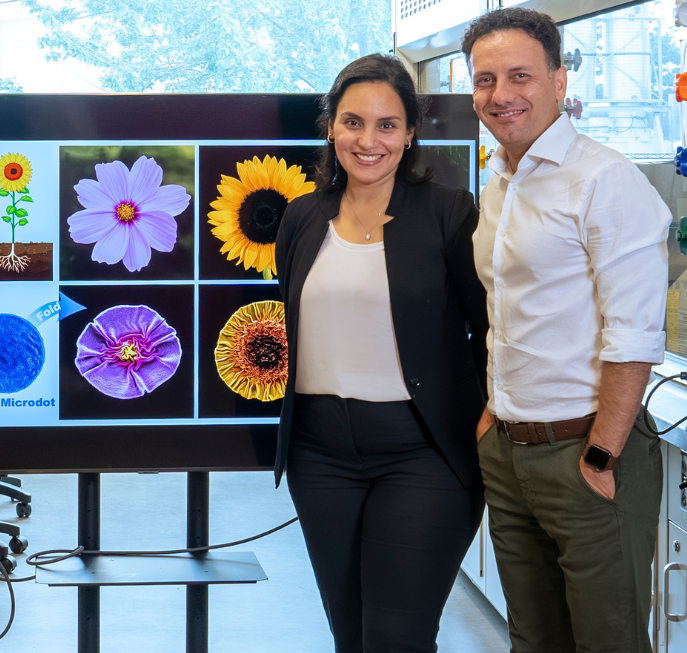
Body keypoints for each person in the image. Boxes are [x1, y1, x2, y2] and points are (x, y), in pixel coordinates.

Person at [462, 8, 670, 653]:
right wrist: (495, 415)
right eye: (485, 80)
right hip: (510, 451)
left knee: (608, 641)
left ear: (558, 79)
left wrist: (603, 455)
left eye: (519, 75)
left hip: (585, 453)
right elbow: (511, 309)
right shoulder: (498, 181)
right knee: (535, 639)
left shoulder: (605, 180)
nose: (501, 95)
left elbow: (632, 334)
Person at [273, 53, 488, 652]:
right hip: (320, 454)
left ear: (411, 133)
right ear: (331, 128)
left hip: (423, 453)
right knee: (351, 636)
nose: (368, 141)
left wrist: (492, 414)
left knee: (396, 638)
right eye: (352, 122)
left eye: (387, 125)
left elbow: (489, 327)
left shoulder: (449, 213)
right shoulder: (301, 218)